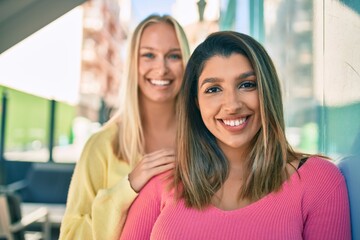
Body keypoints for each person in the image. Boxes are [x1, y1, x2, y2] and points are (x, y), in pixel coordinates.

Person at [120, 31, 351, 239]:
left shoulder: (318, 181)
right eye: (213, 89)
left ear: (267, 92)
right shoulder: (162, 184)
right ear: (196, 103)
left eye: (247, 85)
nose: (232, 105)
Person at [59, 14, 190, 240]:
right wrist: (127, 188)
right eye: (149, 55)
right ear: (132, 63)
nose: (161, 69)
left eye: (174, 56)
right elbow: (70, 235)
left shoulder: (205, 139)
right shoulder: (101, 146)